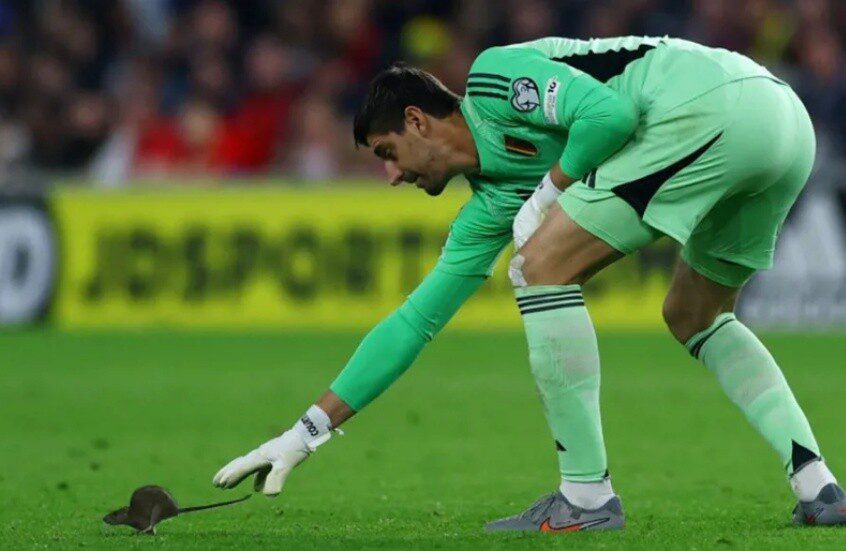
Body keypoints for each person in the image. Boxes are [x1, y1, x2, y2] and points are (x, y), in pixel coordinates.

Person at [213, 36, 846, 532]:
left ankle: (586, 496)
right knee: (695, 315)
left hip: (713, 108)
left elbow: (611, 113)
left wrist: (547, 193)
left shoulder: (494, 79)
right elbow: (414, 321)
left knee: (537, 266)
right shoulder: (488, 206)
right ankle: (816, 483)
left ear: (418, 120)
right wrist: (305, 433)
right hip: (785, 127)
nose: (392, 176)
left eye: (387, 152)